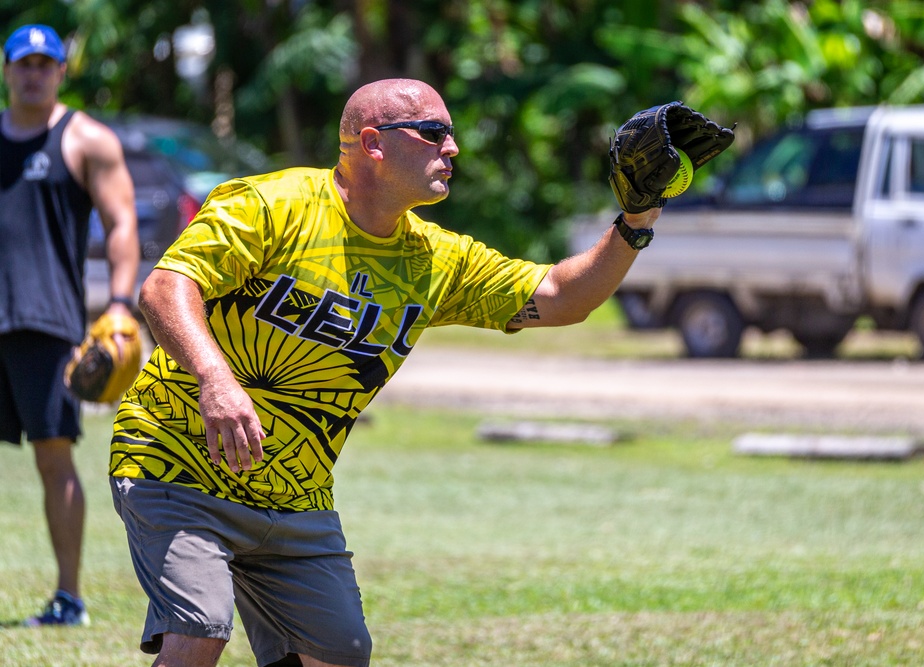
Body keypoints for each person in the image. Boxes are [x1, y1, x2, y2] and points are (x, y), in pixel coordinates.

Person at [108, 78, 659, 667]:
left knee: (340, 655)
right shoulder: (272, 205)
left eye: (452, 134)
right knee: (200, 630)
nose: (452, 148)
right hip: (176, 464)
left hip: (294, 493)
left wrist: (635, 217)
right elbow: (166, 287)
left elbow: (561, 297)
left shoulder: (434, 260)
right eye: (433, 133)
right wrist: (216, 380)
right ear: (372, 142)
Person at [0, 24, 140, 626]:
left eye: (44, 63)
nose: (33, 73)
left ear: (61, 71)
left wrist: (118, 303)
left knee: (52, 458)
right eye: (22, 63)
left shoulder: (86, 139)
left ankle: (69, 597)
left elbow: (121, 223)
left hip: (46, 319)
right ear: (6, 70)